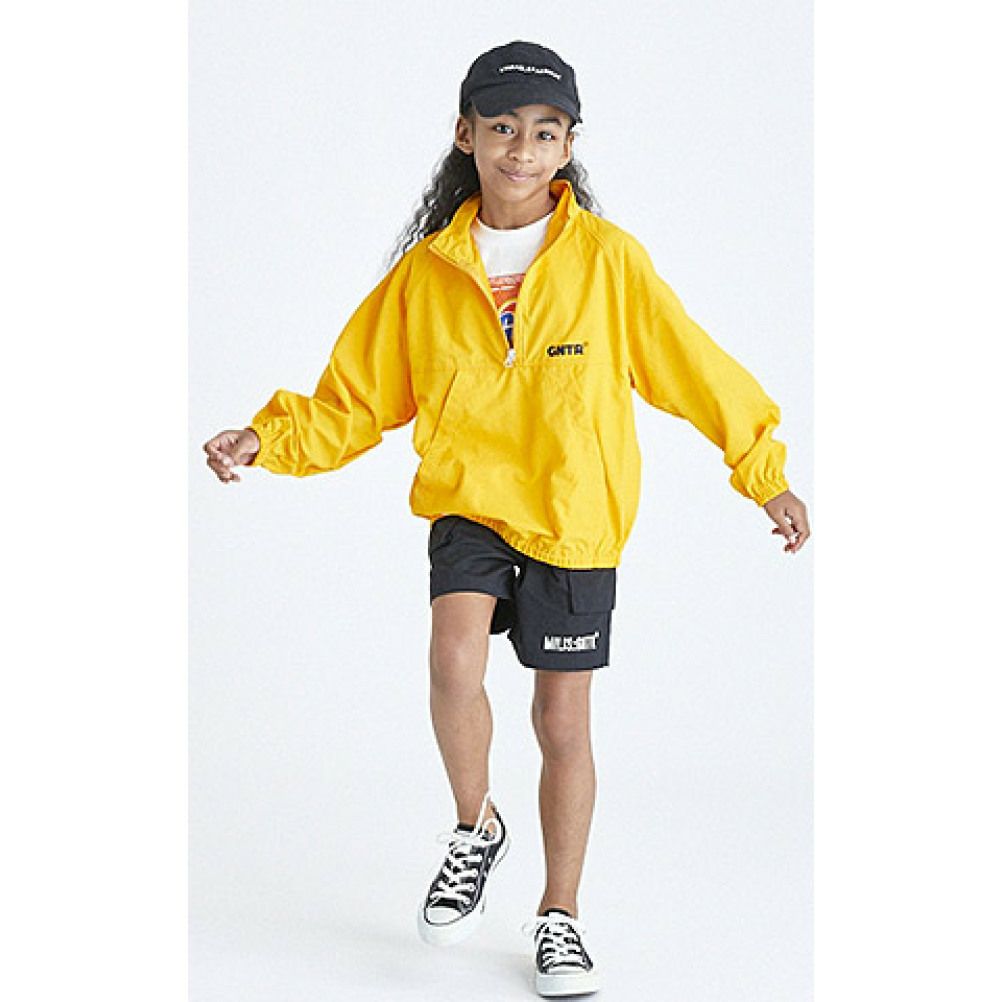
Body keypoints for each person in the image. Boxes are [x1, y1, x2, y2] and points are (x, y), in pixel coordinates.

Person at [202, 39, 810, 999]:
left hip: (575, 513)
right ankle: (475, 825)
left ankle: (559, 914)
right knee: (453, 658)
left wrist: (762, 472)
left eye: (545, 132)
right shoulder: (427, 274)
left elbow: (695, 368)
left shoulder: (609, 262)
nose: (523, 150)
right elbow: (356, 398)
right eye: (503, 129)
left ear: (569, 145)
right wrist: (265, 439)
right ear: (466, 135)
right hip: (471, 500)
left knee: (561, 720)